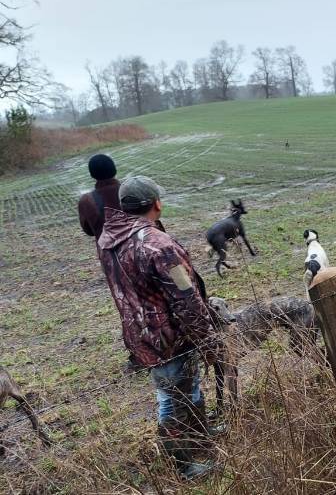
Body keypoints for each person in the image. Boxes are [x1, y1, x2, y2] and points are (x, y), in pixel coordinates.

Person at [96, 176, 223, 479]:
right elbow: (187, 301)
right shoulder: (158, 245)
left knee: (185, 388)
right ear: (156, 203)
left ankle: (200, 435)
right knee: (171, 399)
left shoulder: (108, 240)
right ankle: (182, 466)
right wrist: (208, 342)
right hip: (170, 338)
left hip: (141, 335)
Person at [77, 154, 121, 241]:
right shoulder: (130, 190)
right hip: (140, 249)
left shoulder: (86, 201)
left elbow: (89, 231)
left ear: (92, 175)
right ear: (114, 170)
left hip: (109, 252)